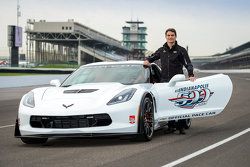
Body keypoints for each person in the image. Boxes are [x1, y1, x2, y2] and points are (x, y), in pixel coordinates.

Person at [143, 28, 195, 134]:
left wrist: (191, 75)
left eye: (172, 35)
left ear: (175, 37)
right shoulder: (161, 50)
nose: (170, 37)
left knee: (179, 102)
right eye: (168, 35)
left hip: (178, 81)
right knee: (169, 103)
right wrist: (147, 61)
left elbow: (188, 63)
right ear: (166, 36)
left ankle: (180, 126)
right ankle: (171, 126)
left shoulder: (181, 50)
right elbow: (152, 57)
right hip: (165, 82)